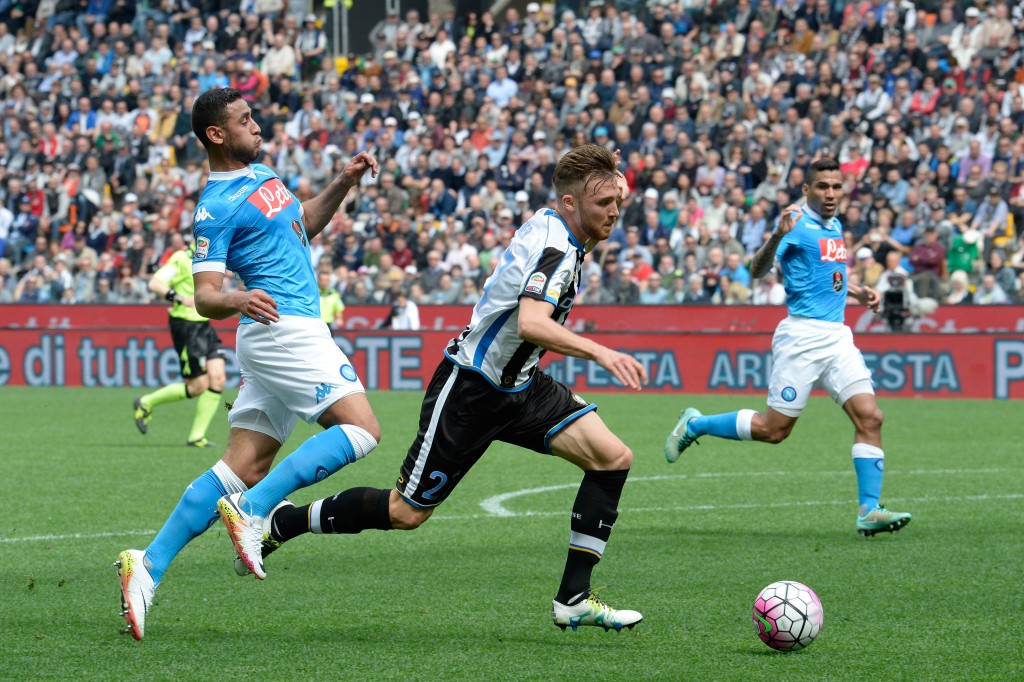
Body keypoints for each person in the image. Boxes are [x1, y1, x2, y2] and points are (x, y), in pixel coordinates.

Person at [227, 144, 648, 632]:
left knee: (613, 458)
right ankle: (282, 523)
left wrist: (604, 173)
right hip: (472, 390)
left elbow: (592, 200)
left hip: (522, 387)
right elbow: (532, 323)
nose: (615, 212)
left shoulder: (558, 219)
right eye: (605, 205)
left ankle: (573, 598)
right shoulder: (555, 249)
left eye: (618, 203)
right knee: (405, 513)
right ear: (572, 204)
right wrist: (601, 352)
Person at [115, 88, 381, 641]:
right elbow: (207, 294)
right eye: (244, 120)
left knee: (240, 467)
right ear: (216, 134)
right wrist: (238, 296)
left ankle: (149, 565)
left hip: (277, 335)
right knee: (362, 429)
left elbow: (302, 223)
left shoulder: (262, 174)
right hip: (285, 328)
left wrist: (343, 181)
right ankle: (255, 512)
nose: (256, 126)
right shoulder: (214, 207)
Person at [665, 158, 911, 538]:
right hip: (802, 338)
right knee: (774, 430)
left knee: (871, 417)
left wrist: (858, 291)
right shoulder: (795, 224)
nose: (831, 193)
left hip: (837, 337)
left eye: (836, 186)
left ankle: (869, 509)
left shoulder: (835, 226)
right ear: (807, 190)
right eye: (823, 187)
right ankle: (696, 424)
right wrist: (777, 236)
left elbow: (831, 275)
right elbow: (756, 269)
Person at [133, 240, 227, 448]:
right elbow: (154, 284)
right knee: (197, 386)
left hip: (204, 324)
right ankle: (146, 402)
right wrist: (178, 297)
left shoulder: (213, 259)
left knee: (218, 379)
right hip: (187, 326)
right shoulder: (182, 258)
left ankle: (196, 436)